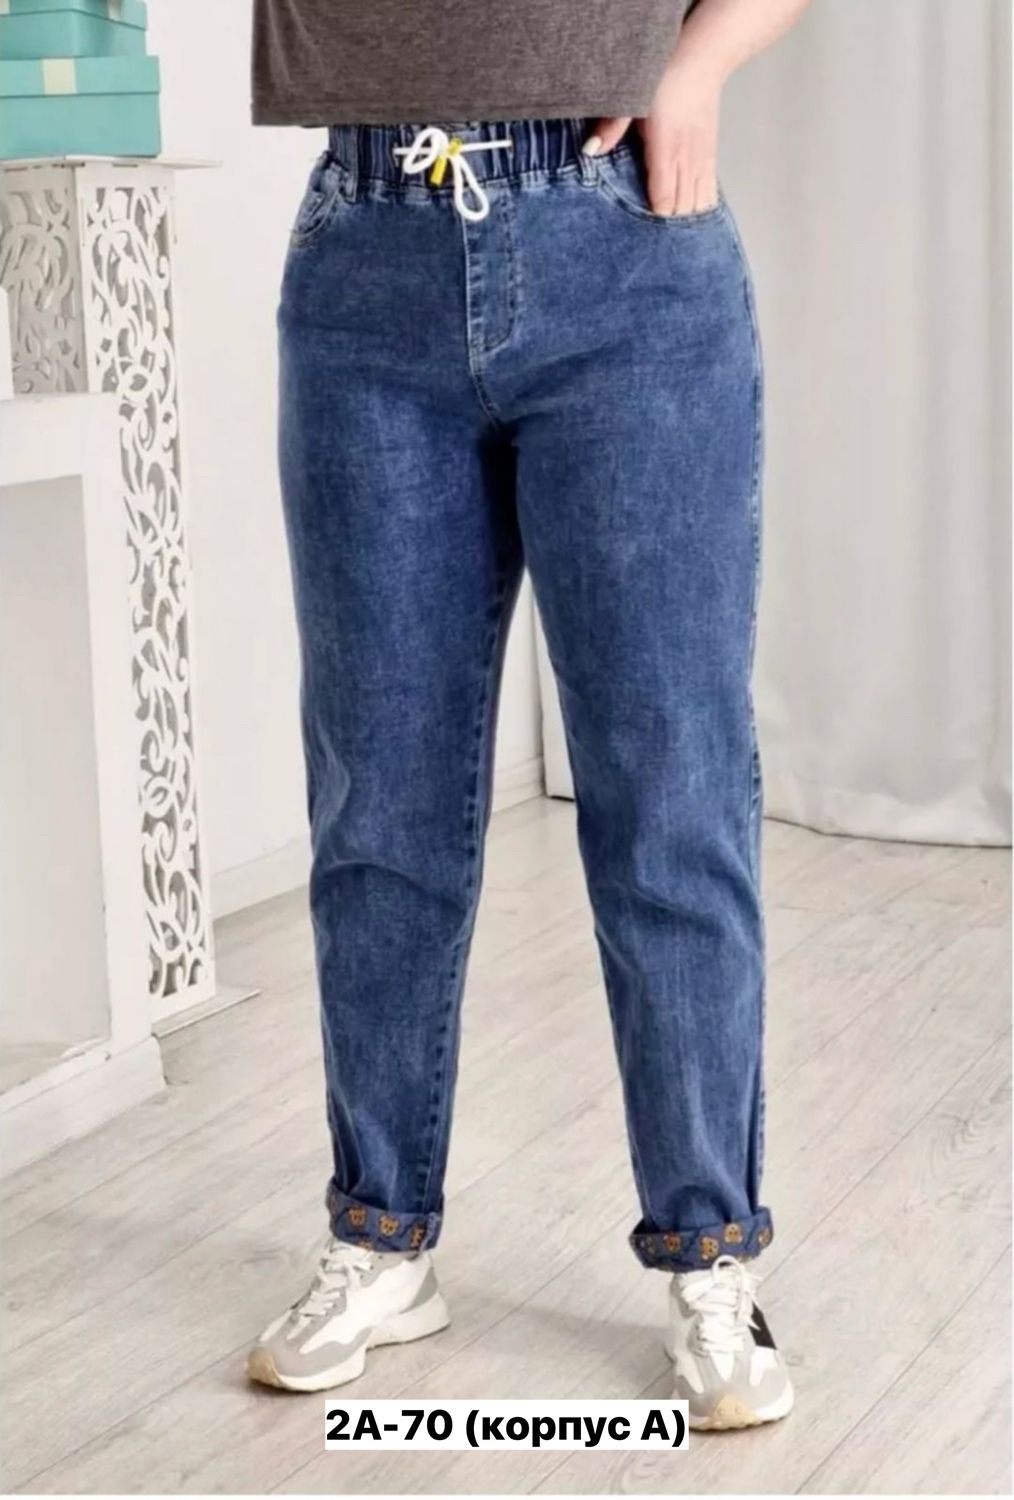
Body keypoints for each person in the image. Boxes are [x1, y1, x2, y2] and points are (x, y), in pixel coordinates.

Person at [247, 0, 810, 1430]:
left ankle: (710, 1254)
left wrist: (698, 63)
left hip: (622, 238)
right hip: (365, 246)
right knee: (377, 806)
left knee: (669, 792)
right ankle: (381, 1239)